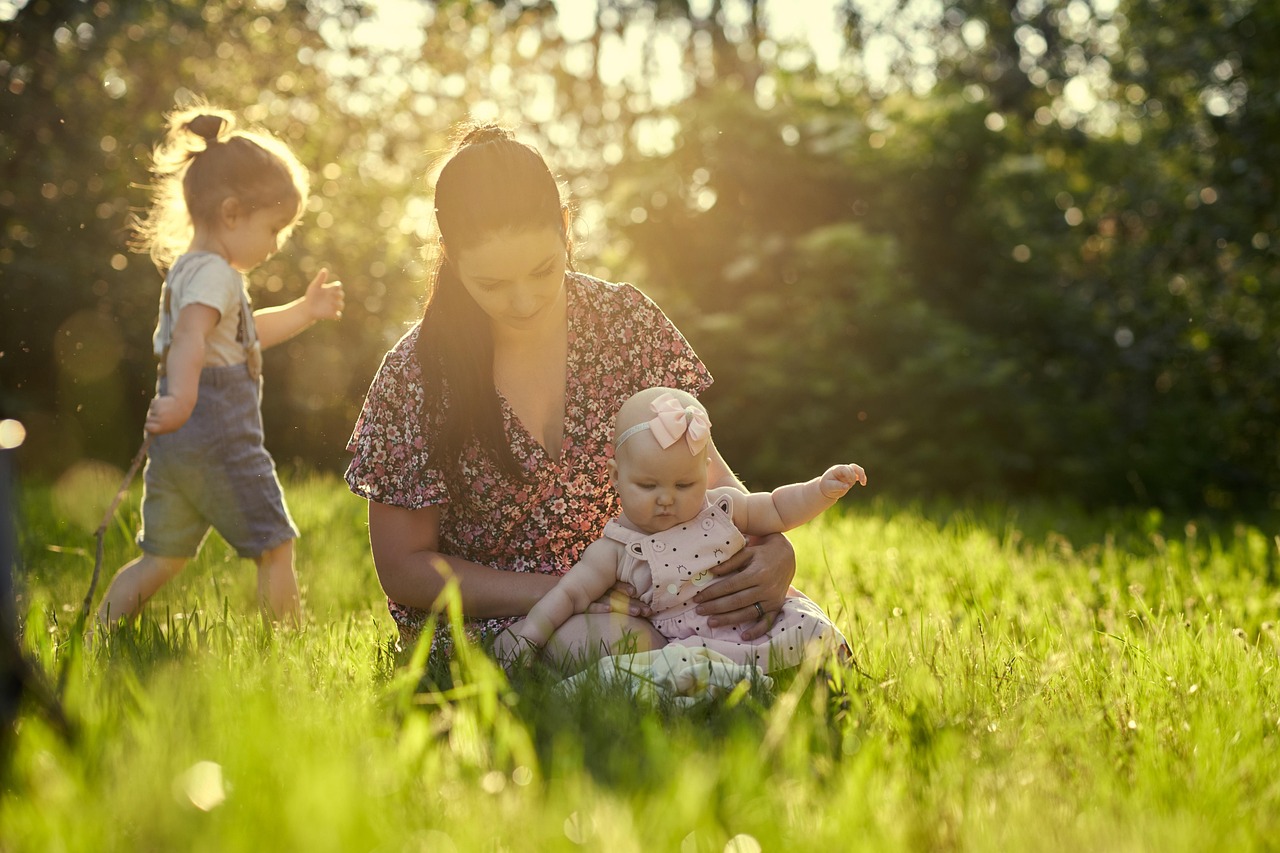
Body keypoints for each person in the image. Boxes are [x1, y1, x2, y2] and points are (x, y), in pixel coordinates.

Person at [345, 123, 798, 671]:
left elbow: (701, 476)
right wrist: (568, 590)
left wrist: (771, 551)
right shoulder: (416, 374)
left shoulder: (624, 323)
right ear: (449, 254)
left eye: (541, 270)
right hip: (502, 616)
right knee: (626, 648)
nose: (522, 300)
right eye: (491, 283)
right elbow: (405, 568)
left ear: (565, 226)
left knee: (799, 637)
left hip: (652, 587)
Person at [96, 104, 345, 626]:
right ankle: (290, 643)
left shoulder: (195, 271)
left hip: (178, 447)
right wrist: (185, 400)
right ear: (231, 213)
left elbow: (242, 336)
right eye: (275, 227)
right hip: (216, 436)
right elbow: (189, 338)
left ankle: (100, 632)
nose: (277, 243)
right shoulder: (214, 277)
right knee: (276, 546)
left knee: (162, 557)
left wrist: (304, 310)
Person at [496, 387, 863, 671]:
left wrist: (821, 489)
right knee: (675, 669)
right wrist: (528, 639)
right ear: (616, 477)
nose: (666, 499)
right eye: (648, 486)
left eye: (684, 485)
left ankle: (831, 680)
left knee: (808, 626)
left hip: (758, 621)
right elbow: (569, 596)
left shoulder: (721, 506)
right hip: (688, 644)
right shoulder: (615, 550)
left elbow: (778, 508)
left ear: (704, 472)